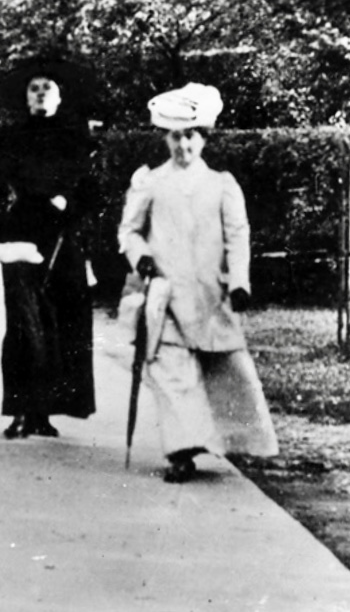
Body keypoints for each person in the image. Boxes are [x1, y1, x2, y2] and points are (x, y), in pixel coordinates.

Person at [118, 83, 279, 482]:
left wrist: (239, 282)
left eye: (190, 136)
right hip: (165, 295)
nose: (183, 145)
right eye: (175, 136)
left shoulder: (222, 184)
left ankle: (237, 440)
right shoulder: (150, 182)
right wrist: (142, 258)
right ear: (165, 138)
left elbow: (237, 235)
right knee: (173, 373)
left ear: (203, 138)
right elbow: (129, 230)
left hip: (212, 295)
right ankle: (182, 452)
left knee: (226, 369)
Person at [0, 52, 99, 439]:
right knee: (22, 324)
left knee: (62, 326)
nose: (42, 93)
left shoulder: (80, 142)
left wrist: (70, 206)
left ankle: (45, 412)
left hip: (64, 241)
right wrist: (3, 228)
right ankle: (19, 410)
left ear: (60, 95)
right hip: (22, 240)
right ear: (25, 97)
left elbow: (94, 194)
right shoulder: (7, 141)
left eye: (49, 88)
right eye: (35, 88)